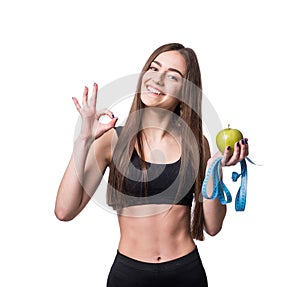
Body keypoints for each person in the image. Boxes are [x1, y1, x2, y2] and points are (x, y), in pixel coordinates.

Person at [55, 43, 249, 286]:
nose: (157, 79)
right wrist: (83, 139)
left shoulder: (198, 144)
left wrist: (214, 168)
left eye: (172, 76)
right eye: (154, 68)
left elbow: (213, 226)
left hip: (185, 272)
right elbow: (64, 211)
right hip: (129, 274)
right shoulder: (113, 140)